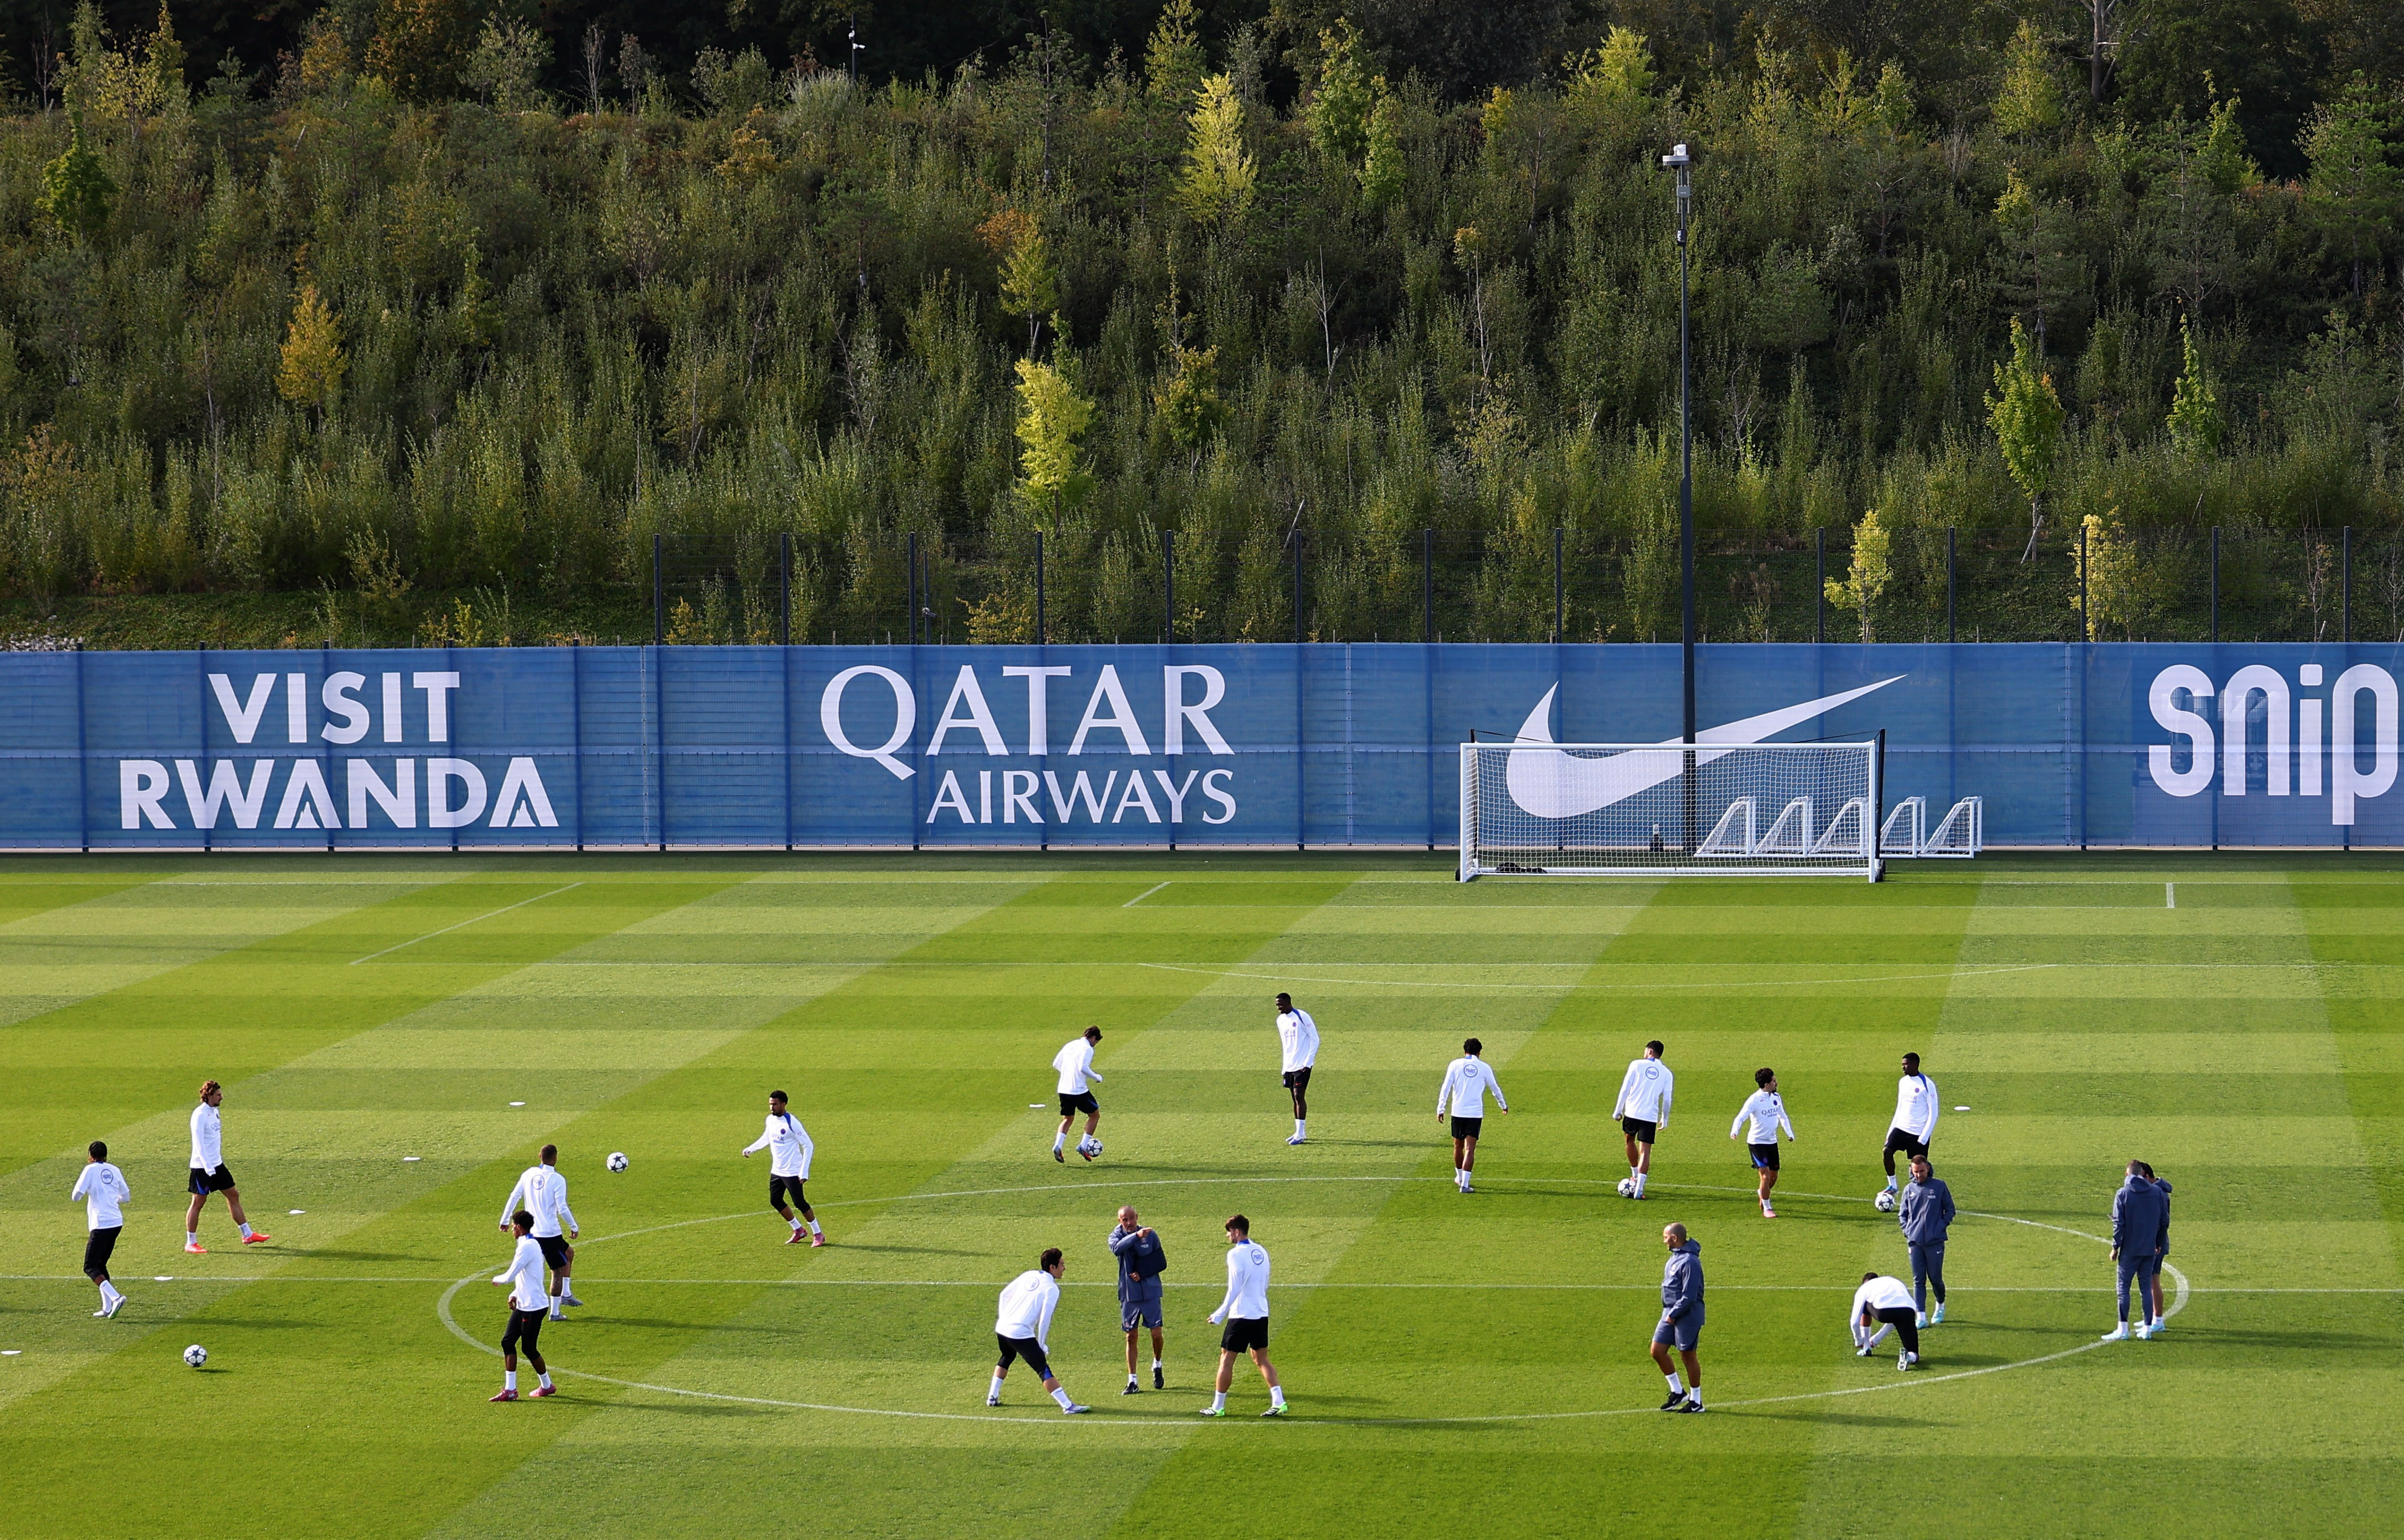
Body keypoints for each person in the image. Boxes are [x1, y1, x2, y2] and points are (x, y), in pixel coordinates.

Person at [1201, 1214, 1285, 1417]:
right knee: (1261, 1359)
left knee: (1227, 1360)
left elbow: (1234, 1288)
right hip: (1261, 1312)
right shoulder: (1261, 1251)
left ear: (1237, 1232)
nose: (1228, 1236)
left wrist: (1220, 1313)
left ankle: (1218, 1406)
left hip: (1241, 1316)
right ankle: (1279, 1401)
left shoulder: (1235, 1254)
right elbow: (1265, 1281)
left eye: (1230, 1232)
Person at [988, 1248, 1089, 1414]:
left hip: (1002, 1327)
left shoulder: (1030, 1275)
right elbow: (1045, 1320)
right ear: (1052, 1267)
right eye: (1062, 1264)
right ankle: (1067, 1406)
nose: (1065, 1268)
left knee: (1007, 1356)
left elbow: (1004, 1295)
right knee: (1043, 1368)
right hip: (1019, 1333)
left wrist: (1004, 1318)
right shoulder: (1052, 1289)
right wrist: (1041, 1344)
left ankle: (992, 1396)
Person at [184, 1080, 268, 1254]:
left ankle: (247, 1234)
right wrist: (208, 1168)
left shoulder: (215, 1111)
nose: (222, 1097)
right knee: (198, 1203)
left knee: (233, 1195)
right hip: (203, 1168)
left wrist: (216, 1165)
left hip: (217, 1164)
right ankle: (191, 1243)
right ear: (209, 1096)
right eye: (218, 1095)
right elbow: (198, 1144)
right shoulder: (199, 1115)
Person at [501, 1144, 582, 1320]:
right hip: (549, 1234)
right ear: (555, 1159)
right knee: (557, 1271)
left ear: (540, 1156)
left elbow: (514, 1196)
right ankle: (555, 1313)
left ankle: (566, 1295)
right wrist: (574, 1227)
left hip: (532, 1233)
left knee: (569, 1253)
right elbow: (562, 1207)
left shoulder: (528, 1174)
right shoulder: (557, 1179)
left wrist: (505, 1220)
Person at [741, 1090, 825, 1246]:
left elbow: (808, 1145)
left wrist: (804, 1171)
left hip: (793, 1171)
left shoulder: (792, 1123)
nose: (772, 1108)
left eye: (775, 1104)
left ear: (784, 1104)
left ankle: (818, 1233)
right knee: (776, 1200)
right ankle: (799, 1230)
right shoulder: (771, 1120)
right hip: (777, 1170)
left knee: (800, 1203)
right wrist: (751, 1148)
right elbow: (767, 1137)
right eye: (770, 1104)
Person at [489, 1209, 557, 1401]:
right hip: (525, 1304)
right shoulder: (528, 1244)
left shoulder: (528, 1247)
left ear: (519, 1227)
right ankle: (511, 1389)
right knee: (508, 1342)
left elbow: (510, 1275)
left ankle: (547, 1385)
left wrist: (496, 1279)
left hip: (533, 1307)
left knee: (528, 1347)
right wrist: (514, 1294)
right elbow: (526, 1275)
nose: (512, 1230)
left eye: (513, 1226)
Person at [1435, 1038, 1509, 1194]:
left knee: (1458, 1146)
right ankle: (1465, 1185)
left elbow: (1446, 1087)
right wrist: (1503, 1105)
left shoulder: (1455, 1065)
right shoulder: (1484, 1068)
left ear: (1465, 1051)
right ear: (1479, 1053)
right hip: (1474, 1114)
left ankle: (1459, 1178)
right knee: (1470, 1149)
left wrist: (1441, 1108)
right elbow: (1495, 1088)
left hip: (1458, 1112)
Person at [2104, 1160, 2166, 1341]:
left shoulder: (2123, 1194)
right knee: (2146, 1289)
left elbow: (2119, 1224)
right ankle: (2147, 1329)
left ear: (2127, 1174)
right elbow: (2164, 1221)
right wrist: (2158, 1242)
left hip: (2130, 1250)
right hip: (2149, 1249)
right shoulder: (2157, 1192)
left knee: (2123, 1289)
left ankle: (2122, 1329)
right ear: (2142, 1174)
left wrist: (2115, 1247)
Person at [1109, 1205, 1168, 1393]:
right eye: (1124, 1220)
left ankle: (1157, 1364)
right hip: (1129, 1294)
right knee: (1131, 1336)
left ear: (1137, 1217)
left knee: (1156, 1334)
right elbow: (1117, 1249)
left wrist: (1142, 1272)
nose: (1128, 1222)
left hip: (1151, 1291)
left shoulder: (1151, 1235)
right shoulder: (1116, 1236)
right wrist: (1136, 1237)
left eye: (1131, 1218)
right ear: (1119, 1221)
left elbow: (1160, 1261)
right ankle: (1132, 1380)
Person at [71, 1141, 130, 1319]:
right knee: (101, 1264)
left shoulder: (89, 1170)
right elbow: (126, 1197)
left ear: (90, 1156)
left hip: (101, 1224)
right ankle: (106, 1308)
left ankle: (116, 1297)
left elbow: (76, 1197)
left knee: (90, 1266)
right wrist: (112, 1198)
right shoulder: (115, 1170)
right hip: (116, 1222)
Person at [1650, 1222, 1704, 1411]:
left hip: (1686, 1314)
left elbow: (1689, 1296)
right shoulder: (1676, 1258)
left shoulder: (1690, 1262)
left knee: (1687, 1356)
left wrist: (1674, 1314)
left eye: (1666, 1237)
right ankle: (1678, 1392)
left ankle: (1696, 1401)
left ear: (1675, 1238)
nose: (1664, 1240)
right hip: (1670, 1312)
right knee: (1657, 1351)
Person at [1727, 1067, 1795, 1217]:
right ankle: (1767, 1208)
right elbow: (1741, 1117)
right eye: (1773, 1081)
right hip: (1757, 1143)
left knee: (1773, 1177)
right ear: (1766, 1084)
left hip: (1772, 1142)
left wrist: (1789, 1133)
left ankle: (1762, 1192)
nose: (1776, 1083)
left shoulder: (1776, 1097)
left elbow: (1782, 1116)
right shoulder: (1755, 1100)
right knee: (1764, 1176)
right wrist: (1735, 1131)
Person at [1897, 1155, 1955, 1325]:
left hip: (1935, 1242)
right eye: (1915, 1172)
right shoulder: (1909, 1190)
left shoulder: (1939, 1186)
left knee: (1935, 1278)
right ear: (1911, 1170)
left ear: (1928, 1168)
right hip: (1915, 1243)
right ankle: (1920, 1316)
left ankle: (1940, 1305)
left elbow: (1950, 1210)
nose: (1919, 1175)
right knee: (1918, 1279)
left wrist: (1940, 1227)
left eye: (1921, 1171)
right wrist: (1908, 1231)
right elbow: (1903, 1214)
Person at [1612, 1041, 1674, 1199]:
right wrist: (1664, 1118)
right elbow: (1667, 1099)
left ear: (1649, 1051)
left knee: (1629, 1140)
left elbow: (1625, 1088)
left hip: (1632, 1112)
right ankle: (1639, 1190)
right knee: (1645, 1151)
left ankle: (1634, 1173)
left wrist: (1618, 1111)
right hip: (1650, 1116)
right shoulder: (1667, 1073)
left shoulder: (1636, 1064)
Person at [1882, 1053, 1939, 1195]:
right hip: (1901, 1128)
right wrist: (1890, 1132)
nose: (1903, 1067)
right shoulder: (1903, 1082)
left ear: (1915, 1064)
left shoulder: (1927, 1084)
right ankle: (1893, 1186)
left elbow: (1934, 1113)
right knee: (1887, 1152)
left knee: (1919, 1165)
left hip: (1918, 1132)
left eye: (1906, 1064)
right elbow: (1900, 1107)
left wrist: (1924, 1137)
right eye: (1903, 1064)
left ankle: (1926, 1189)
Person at [1052, 1027, 1105, 1163]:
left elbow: (1056, 1064)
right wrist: (1096, 1077)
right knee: (1095, 1115)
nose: (1095, 1045)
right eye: (1096, 1042)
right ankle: (1083, 1145)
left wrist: (1068, 1073)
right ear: (1093, 1038)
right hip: (1078, 1090)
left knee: (1068, 1118)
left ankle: (1058, 1145)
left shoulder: (1070, 1045)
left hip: (1063, 1088)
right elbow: (1083, 1068)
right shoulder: (1088, 1049)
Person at [1274, 993, 1319, 1145]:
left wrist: (1308, 1062)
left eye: (1280, 1004)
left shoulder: (1302, 1016)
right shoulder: (1280, 1021)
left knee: (1299, 1096)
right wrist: (1284, 1067)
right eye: (1277, 1005)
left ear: (1288, 1003)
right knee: (1294, 1098)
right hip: (1289, 1066)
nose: (1278, 1007)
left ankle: (1300, 1134)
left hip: (1303, 1066)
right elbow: (1286, 1046)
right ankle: (1299, 1132)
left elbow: (1315, 1038)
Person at [1851, 1271, 1920, 1368]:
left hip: (1883, 1312)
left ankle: (1866, 1347)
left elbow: (1854, 1322)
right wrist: (1876, 1339)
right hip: (1909, 1310)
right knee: (1914, 1354)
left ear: (1865, 1283)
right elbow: (1896, 1319)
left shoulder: (1864, 1288)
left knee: (1865, 1305)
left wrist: (1858, 1341)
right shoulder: (1893, 1281)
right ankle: (1908, 1357)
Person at [2140, 1161, 2172, 1332]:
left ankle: (2158, 1320)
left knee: (2153, 1281)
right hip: (2154, 1241)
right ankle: (2153, 1316)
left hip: (2155, 1243)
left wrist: (2156, 1243)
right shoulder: (2158, 1190)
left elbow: (2161, 1221)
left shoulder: (2158, 1192)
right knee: (2150, 1281)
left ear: (2146, 1175)